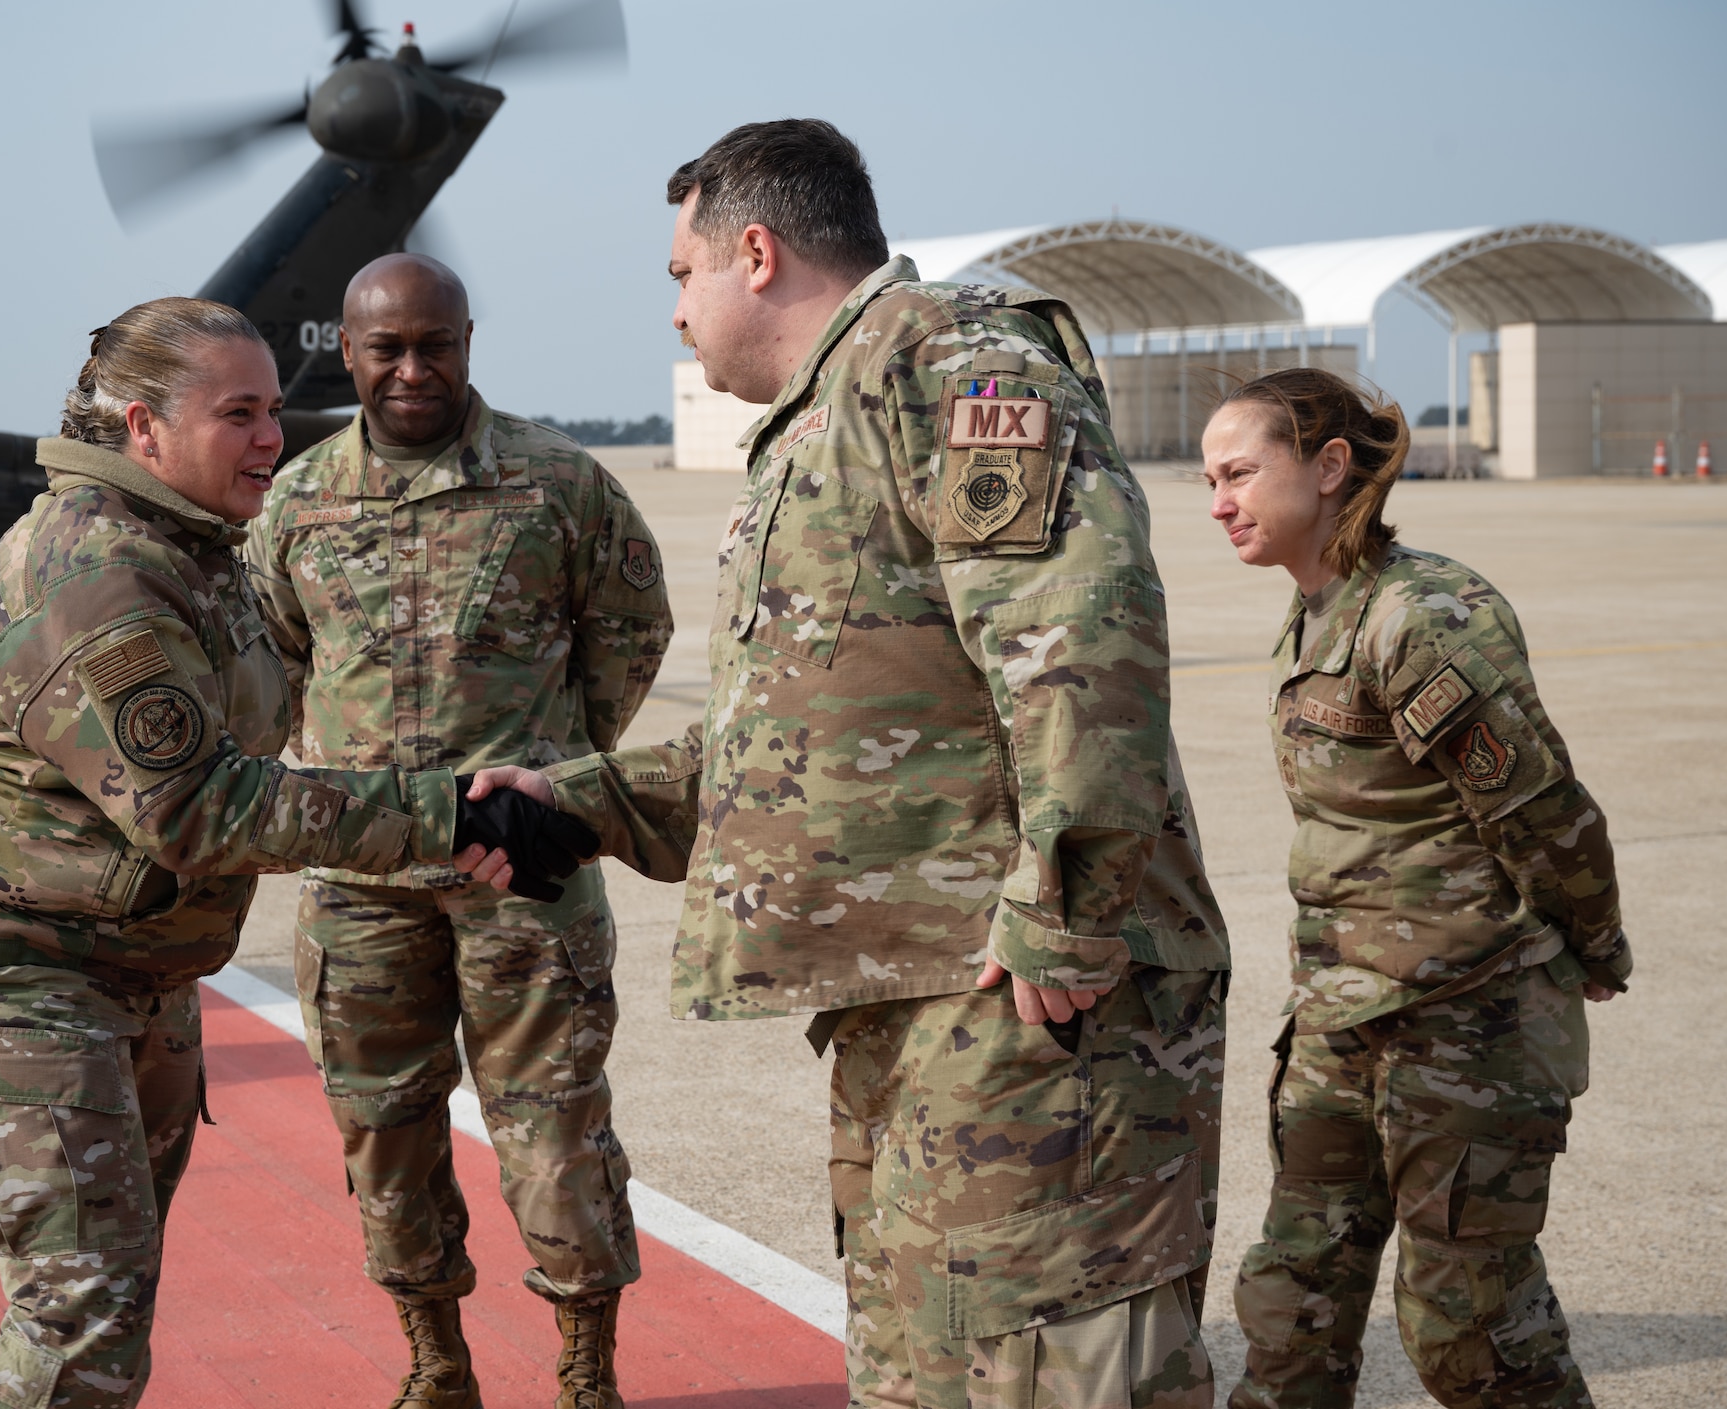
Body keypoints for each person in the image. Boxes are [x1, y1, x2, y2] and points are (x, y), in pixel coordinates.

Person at [471, 119, 1230, 1409]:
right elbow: (798, 733)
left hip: (1028, 1007)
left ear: (753, 253)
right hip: (923, 1006)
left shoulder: (951, 363)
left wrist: (1063, 912)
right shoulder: (830, 412)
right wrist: (582, 801)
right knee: (929, 1371)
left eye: (678, 275)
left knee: (1049, 1372)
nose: (673, 313)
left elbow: (1080, 641)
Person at [0, 297, 586, 1409]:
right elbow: (199, 808)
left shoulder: (193, 551)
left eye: (275, 410)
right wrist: (450, 817)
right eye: (238, 412)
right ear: (141, 426)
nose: (271, 437)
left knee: (107, 1299)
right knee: (81, 1323)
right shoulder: (91, 575)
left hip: (128, 975)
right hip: (14, 979)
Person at [244, 253, 671, 1409]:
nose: (414, 368)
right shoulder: (299, 495)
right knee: (383, 1134)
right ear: (346, 349)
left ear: (469, 339)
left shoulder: (555, 480)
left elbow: (631, 623)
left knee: (557, 1133)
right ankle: (435, 1359)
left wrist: (556, 774)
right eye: (388, 348)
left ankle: (586, 1367)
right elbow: (268, 656)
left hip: (519, 876)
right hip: (362, 877)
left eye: (436, 343)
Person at [1199, 368, 1626, 1409]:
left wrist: (1592, 944)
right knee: (1291, 1300)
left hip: (1464, 1022)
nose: (1218, 500)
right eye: (1209, 478)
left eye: (1240, 472)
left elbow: (1538, 808)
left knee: (1468, 1327)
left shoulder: (1419, 614)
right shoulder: (1314, 614)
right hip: (1340, 1021)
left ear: (1328, 466)